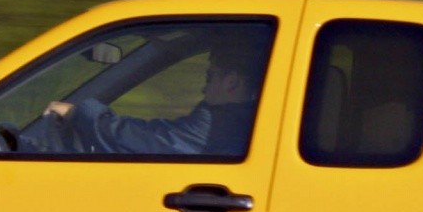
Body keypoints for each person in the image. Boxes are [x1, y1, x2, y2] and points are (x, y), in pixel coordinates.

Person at [46, 38, 265, 157]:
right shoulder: (249, 119)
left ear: (232, 82)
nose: (203, 90)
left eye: (210, 78)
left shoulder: (222, 123)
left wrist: (77, 114)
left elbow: (148, 141)